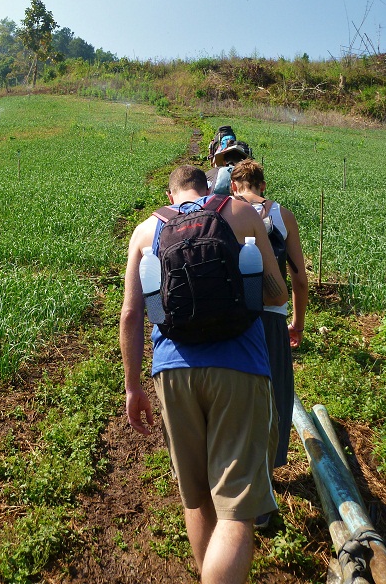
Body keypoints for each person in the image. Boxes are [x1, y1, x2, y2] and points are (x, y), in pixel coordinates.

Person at [120, 165, 288, 584]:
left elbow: (132, 315)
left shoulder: (145, 232)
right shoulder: (241, 213)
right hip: (240, 366)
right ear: (207, 186)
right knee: (237, 510)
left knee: (196, 500)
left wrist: (133, 386)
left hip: (173, 371)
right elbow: (277, 293)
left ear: (170, 194)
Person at [230, 158, 308, 470]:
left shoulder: (225, 212)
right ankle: (269, 465)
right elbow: (299, 279)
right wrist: (297, 324)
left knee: (236, 391)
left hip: (236, 317)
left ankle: (235, 464)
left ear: (234, 186)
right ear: (263, 186)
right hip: (273, 315)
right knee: (276, 393)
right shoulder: (283, 215)